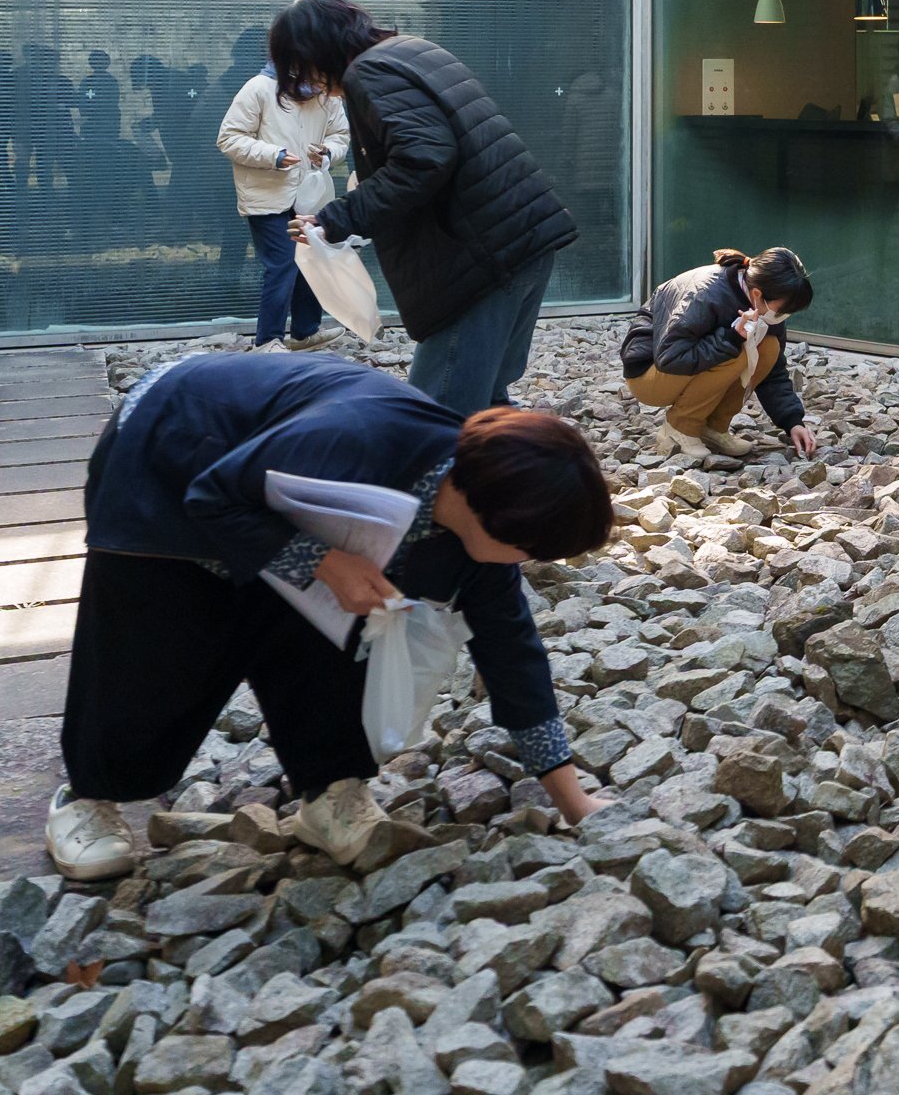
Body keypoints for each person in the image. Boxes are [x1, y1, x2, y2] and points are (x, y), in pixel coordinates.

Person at [42, 351, 613, 882]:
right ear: (487, 512)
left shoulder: (477, 529)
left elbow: (513, 655)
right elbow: (211, 496)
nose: (529, 562)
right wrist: (322, 560)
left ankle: (331, 791)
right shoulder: (355, 438)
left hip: (255, 488)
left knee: (334, 626)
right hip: (170, 448)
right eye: (530, 549)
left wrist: (573, 802)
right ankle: (88, 796)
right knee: (156, 640)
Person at [276, 0, 577, 415]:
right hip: (522, 240)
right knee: (488, 406)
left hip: (481, 260)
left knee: (436, 414)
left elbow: (424, 159)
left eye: (300, 69)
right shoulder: (413, 49)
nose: (311, 83)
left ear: (314, 53)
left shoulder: (370, 72)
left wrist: (340, 216)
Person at [622, 246, 820, 459]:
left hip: (677, 366)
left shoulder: (763, 305)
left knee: (769, 346)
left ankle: (713, 428)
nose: (783, 316)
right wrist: (731, 338)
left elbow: (773, 370)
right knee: (739, 351)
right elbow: (670, 357)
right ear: (757, 294)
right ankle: (679, 428)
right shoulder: (706, 293)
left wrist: (793, 422)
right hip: (649, 375)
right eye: (782, 310)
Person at [217, 46, 351, 349]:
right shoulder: (259, 88)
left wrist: (328, 153)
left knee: (311, 259)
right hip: (266, 194)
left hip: (310, 194)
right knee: (283, 262)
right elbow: (229, 138)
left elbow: (340, 136)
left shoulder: (327, 93)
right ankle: (268, 341)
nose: (319, 80)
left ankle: (306, 332)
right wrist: (273, 155)